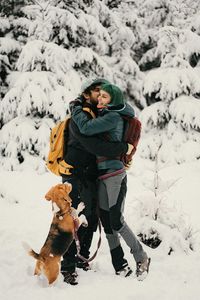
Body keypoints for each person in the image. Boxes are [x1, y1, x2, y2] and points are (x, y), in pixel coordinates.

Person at [71, 83, 151, 280]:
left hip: (114, 174)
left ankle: (141, 257)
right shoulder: (107, 114)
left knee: (116, 220)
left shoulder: (113, 116)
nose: (100, 99)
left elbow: (87, 128)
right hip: (102, 175)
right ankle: (120, 266)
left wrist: (75, 108)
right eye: (99, 97)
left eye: (105, 97)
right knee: (107, 222)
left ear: (113, 99)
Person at [60, 79, 131, 285]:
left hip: (91, 175)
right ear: (87, 93)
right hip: (73, 174)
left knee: (90, 218)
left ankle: (82, 259)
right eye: (97, 92)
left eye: (103, 93)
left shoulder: (98, 113)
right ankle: (68, 267)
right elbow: (94, 146)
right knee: (71, 219)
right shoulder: (78, 116)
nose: (100, 96)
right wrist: (122, 149)